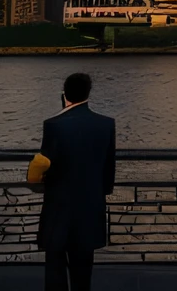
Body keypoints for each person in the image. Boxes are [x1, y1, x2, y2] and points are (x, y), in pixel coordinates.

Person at [34, 72, 115, 290]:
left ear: (64, 95)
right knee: (83, 270)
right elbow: (108, 174)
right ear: (88, 94)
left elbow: (47, 168)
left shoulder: (53, 125)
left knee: (55, 271)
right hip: (90, 207)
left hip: (58, 208)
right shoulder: (106, 124)